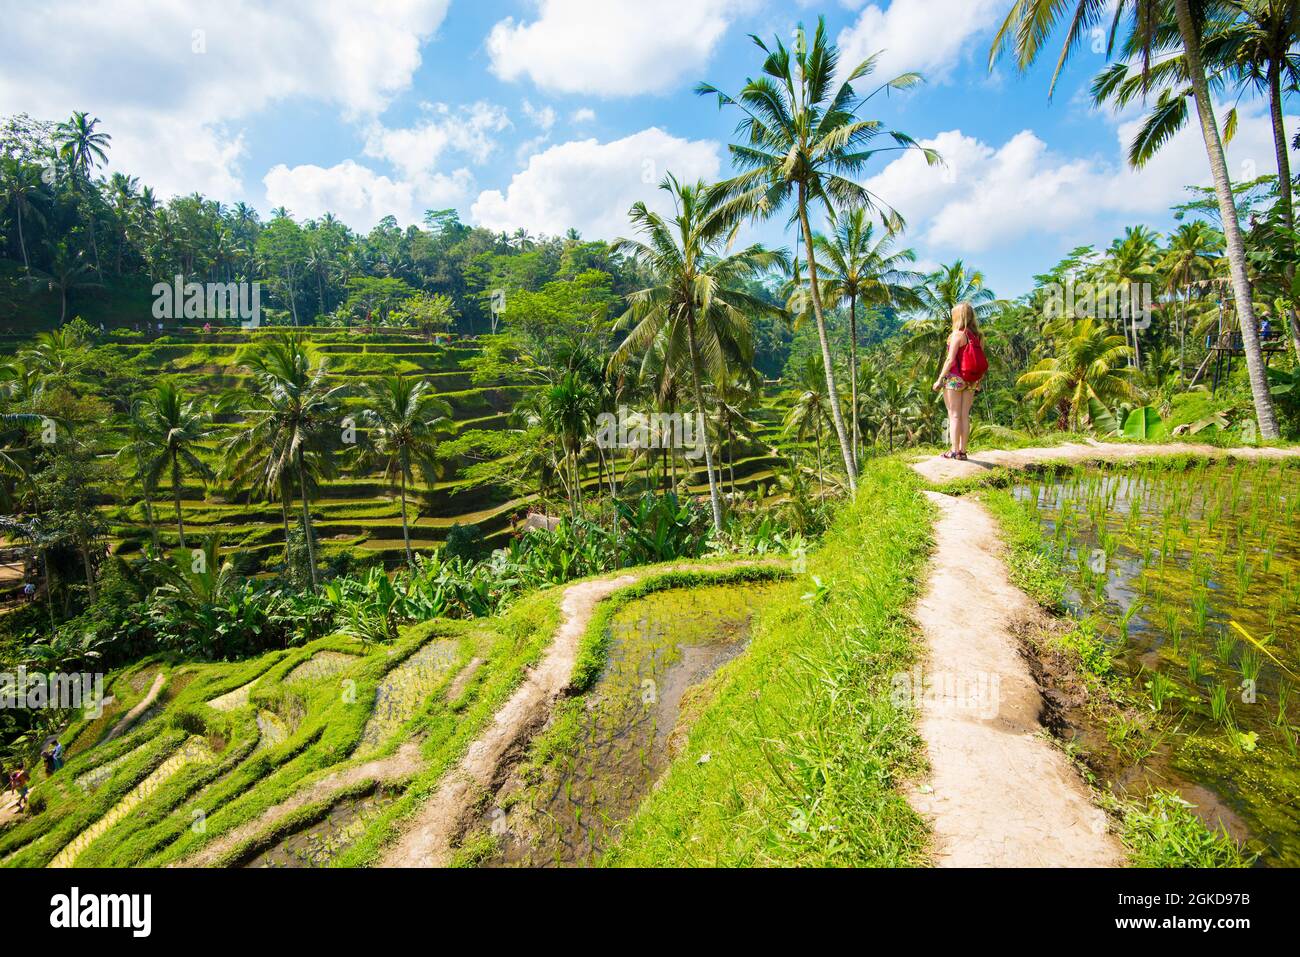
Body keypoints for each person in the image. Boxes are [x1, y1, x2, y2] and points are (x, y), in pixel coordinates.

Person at [932, 302, 987, 461]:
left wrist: (940, 379)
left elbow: (950, 360)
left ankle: (954, 451)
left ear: (957, 316)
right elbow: (979, 360)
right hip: (970, 380)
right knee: (964, 415)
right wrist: (978, 381)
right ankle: (962, 451)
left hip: (954, 379)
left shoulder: (957, 335)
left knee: (954, 415)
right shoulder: (977, 336)